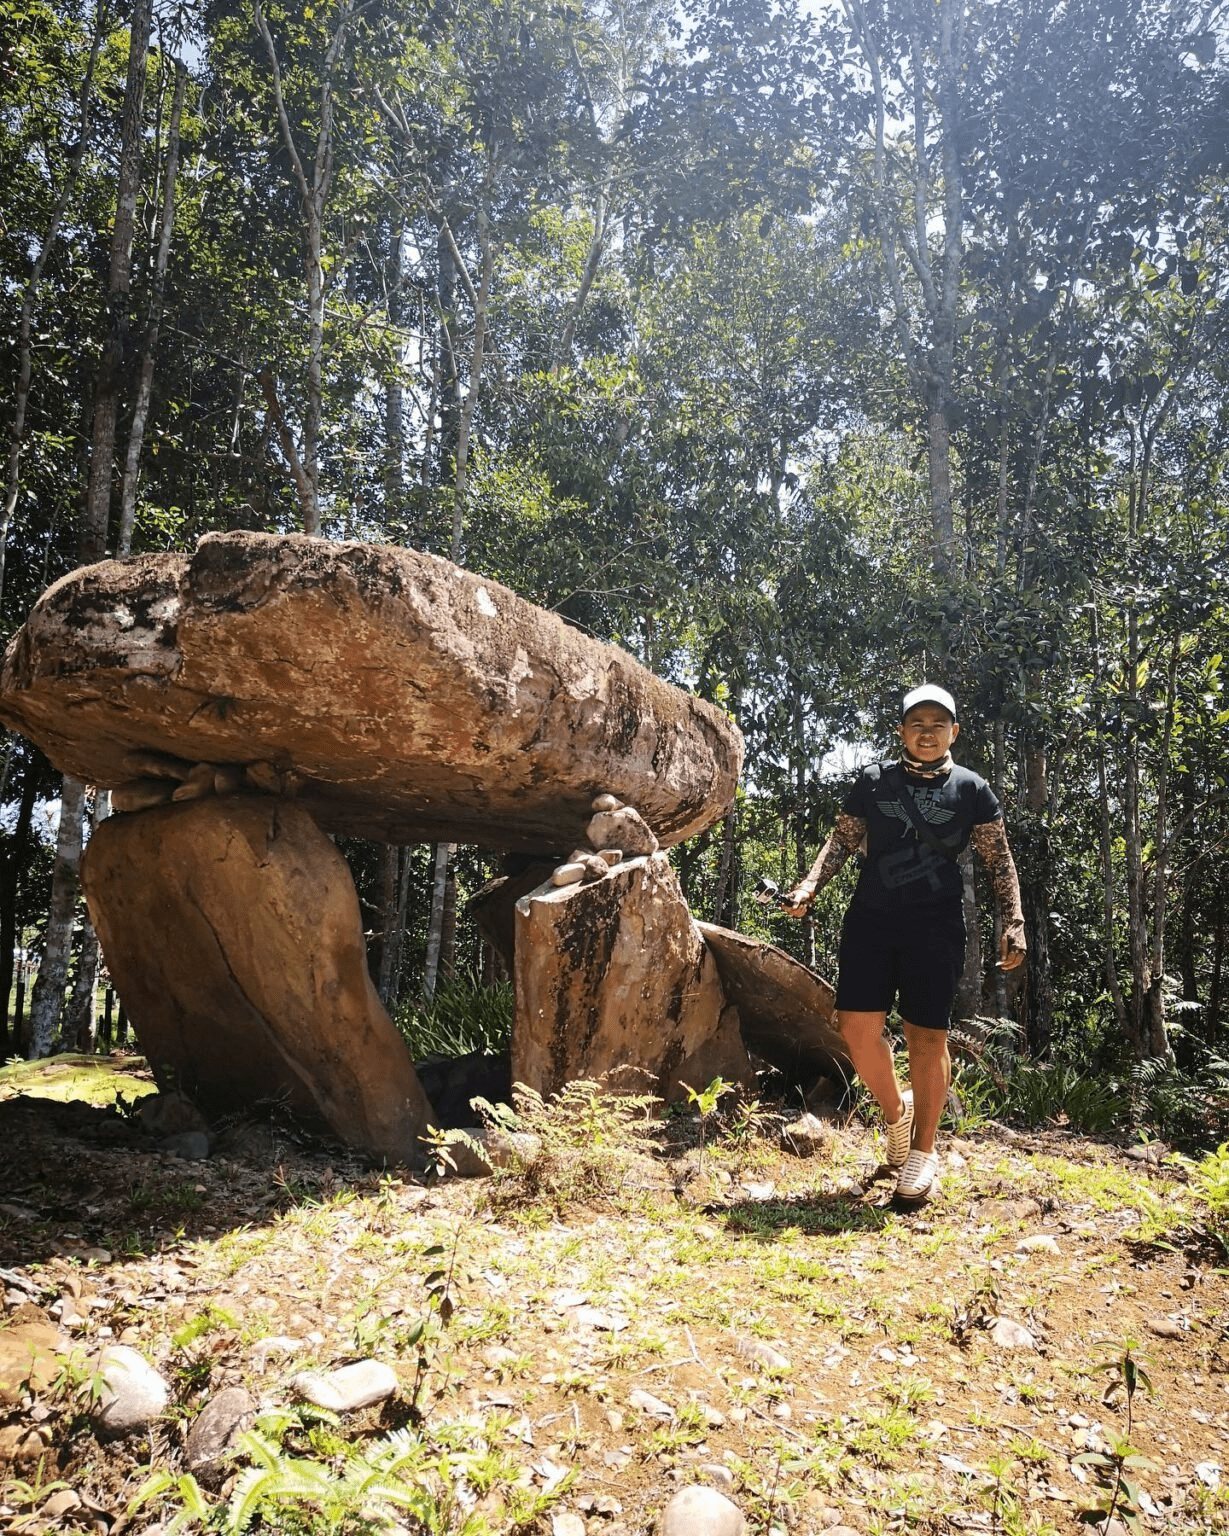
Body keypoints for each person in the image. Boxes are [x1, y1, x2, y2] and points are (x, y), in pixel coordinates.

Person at [782, 685, 1026, 1200]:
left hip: (935, 927)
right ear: (901, 731)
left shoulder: (971, 789)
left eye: (939, 724)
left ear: (954, 732)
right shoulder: (874, 781)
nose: (928, 732)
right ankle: (896, 1114)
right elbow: (842, 840)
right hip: (871, 921)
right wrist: (809, 886)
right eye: (917, 723)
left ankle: (923, 1151)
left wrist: (1016, 920)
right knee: (856, 1029)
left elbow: (998, 861)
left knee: (927, 1037)